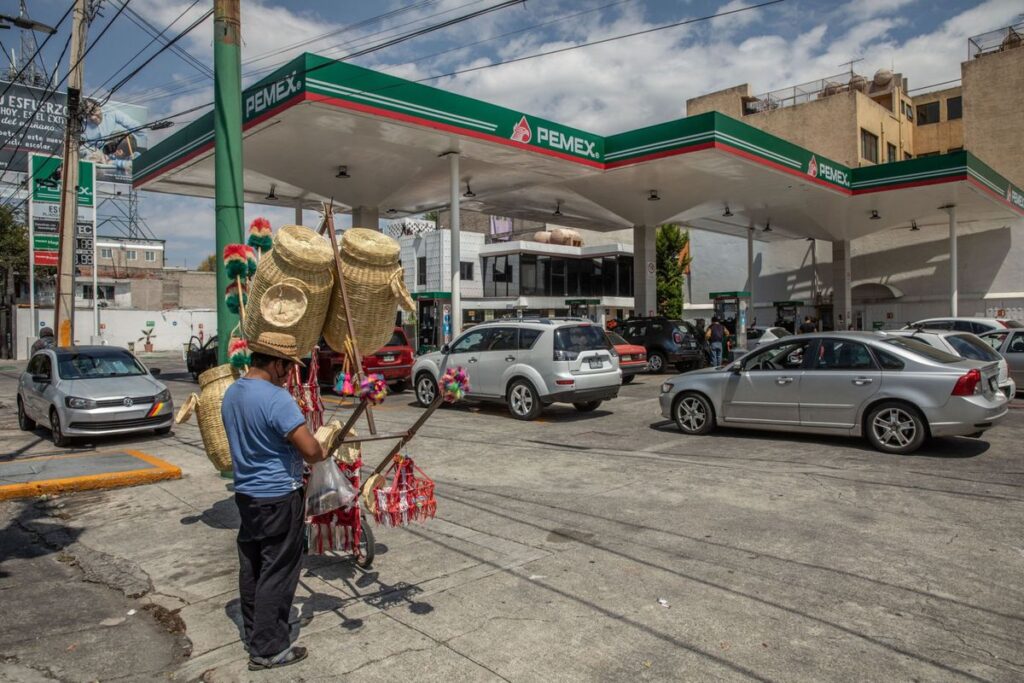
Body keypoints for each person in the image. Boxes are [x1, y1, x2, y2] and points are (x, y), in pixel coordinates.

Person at [221, 332, 328, 671]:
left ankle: (256, 632)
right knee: (277, 571)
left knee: (253, 566)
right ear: (276, 363)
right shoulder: (276, 398)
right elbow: (310, 449)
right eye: (288, 367)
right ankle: (269, 649)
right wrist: (322, 447)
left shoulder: (233, 393)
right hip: (278, 496)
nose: (289, 374)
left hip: (247, 495)